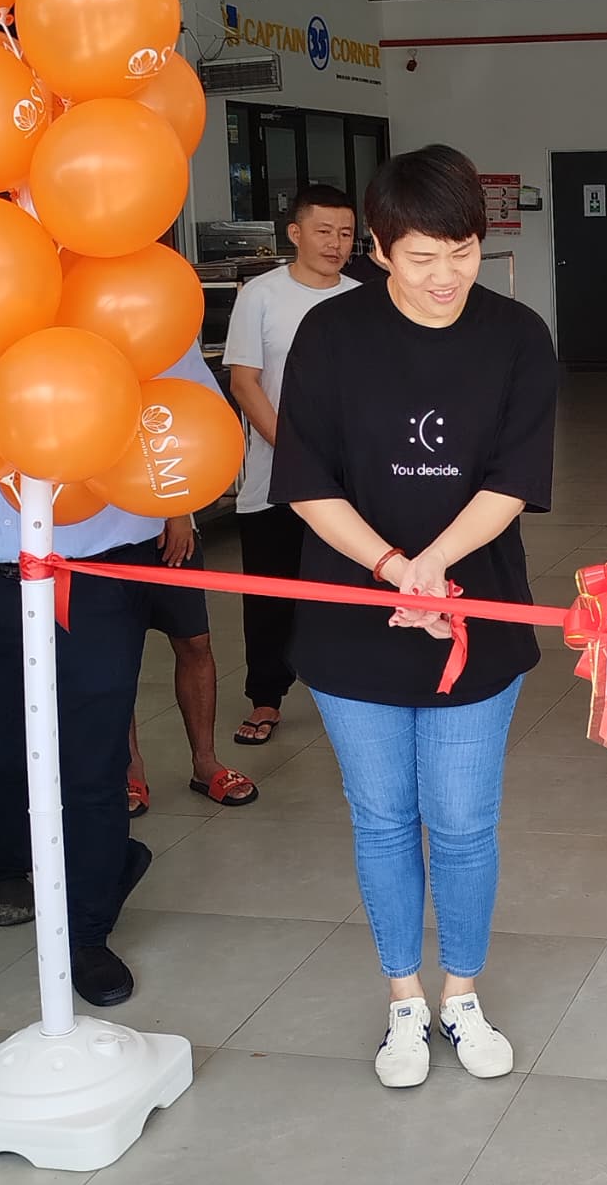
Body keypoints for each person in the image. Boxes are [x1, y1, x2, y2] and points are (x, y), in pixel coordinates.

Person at [270, 145, 556, 1090]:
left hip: (476, 612)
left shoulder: (517, 337)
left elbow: (514, 479)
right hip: (356, 616)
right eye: (423, 257)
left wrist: (432, 571)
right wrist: (394, 571)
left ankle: (462, 995)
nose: (446, 278)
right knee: (384, 820)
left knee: (466, 823)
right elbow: (306, 481)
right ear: (380, 249)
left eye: (464, 252)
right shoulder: (329, 336)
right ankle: (403, 1000)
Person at [0, 343, 227, 1008]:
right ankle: (7, 867)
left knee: (90, 766)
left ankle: (88, 931)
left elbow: (188, 422)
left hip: (94, 579)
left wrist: (175, 503)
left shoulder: (126, 303)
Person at [223, 181, 360, 748]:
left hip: (349, 478)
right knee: (272, 590)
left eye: (346, 233)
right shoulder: (260, 294)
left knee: (345, 587)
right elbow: (245, 383)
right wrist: (297, 451)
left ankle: (349, 689)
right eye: (324, 231)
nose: (335, 243)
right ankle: (266, 696)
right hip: (277, 476)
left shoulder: (364, 298)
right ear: (296, 233)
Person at [125, 510, 258, 813]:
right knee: (119, 652)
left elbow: (178, 460)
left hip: (172, 525)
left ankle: (205, 762)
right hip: (104, 540)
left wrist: (179, 514)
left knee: (195, 642)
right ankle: (130, 768)